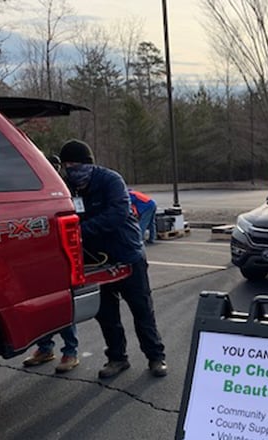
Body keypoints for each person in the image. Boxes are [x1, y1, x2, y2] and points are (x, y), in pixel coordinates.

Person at [59, 139, 168, 379]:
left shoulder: (111, 181)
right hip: (96, 262)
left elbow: (117, 214)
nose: (71, 170)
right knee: (107, 316)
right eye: (67, 165)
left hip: (127, 256)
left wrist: (78, 231)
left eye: (75, 164)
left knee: (142, 311)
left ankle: (155, 357)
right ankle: (117, 358)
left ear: (87, 164)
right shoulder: (69, 187)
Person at [23, 154, 80, 373]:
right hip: (34, 253)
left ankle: (70, 352)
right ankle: (45, 348)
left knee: (61, 305)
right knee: (41, 307)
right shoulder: (30, 190)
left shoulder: (62, 189)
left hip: (58, 254)